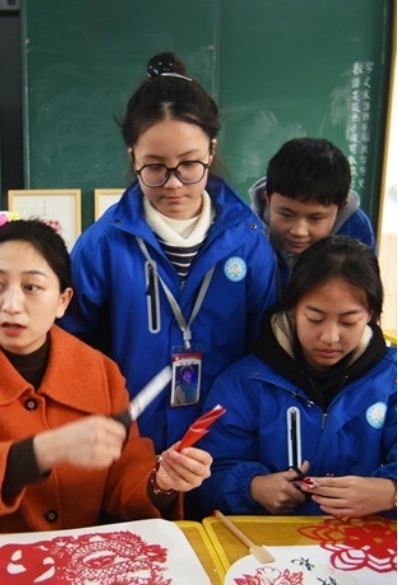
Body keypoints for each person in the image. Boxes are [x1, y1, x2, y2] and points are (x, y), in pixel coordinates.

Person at [0, 219, 212, 534]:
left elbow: (123, 476)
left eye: (31, 287)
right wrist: (43, 451)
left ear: (63, 300)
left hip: (76, 559)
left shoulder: (100, 373)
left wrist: (161, 481)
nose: (11, 305)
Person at [61, 51, 276, 455]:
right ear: (133, 157)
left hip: (223, 445)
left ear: (211, 151)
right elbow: (71, 347)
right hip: (130, 445)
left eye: (190, 164)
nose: (174, 184)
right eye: (155, 167)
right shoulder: (103, 244)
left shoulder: (248, 243)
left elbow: (264, 350)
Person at [194, 236, 396, 518]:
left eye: (349, 321)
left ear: (371, 314)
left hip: (363, 542)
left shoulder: (391, 379)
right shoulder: (244, 383)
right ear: (292, 309)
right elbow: (205, 476)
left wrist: (390, 492)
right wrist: (252, 488)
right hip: (270, 542)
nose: (330, 337)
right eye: (314, 319)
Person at [248, 137, 377, 290]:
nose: (299, 231)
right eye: (286, 215)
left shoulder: (356, 229)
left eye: (315, 218)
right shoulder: (245, 232)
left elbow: (364, 295)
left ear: (340, 209)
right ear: (268, 199)